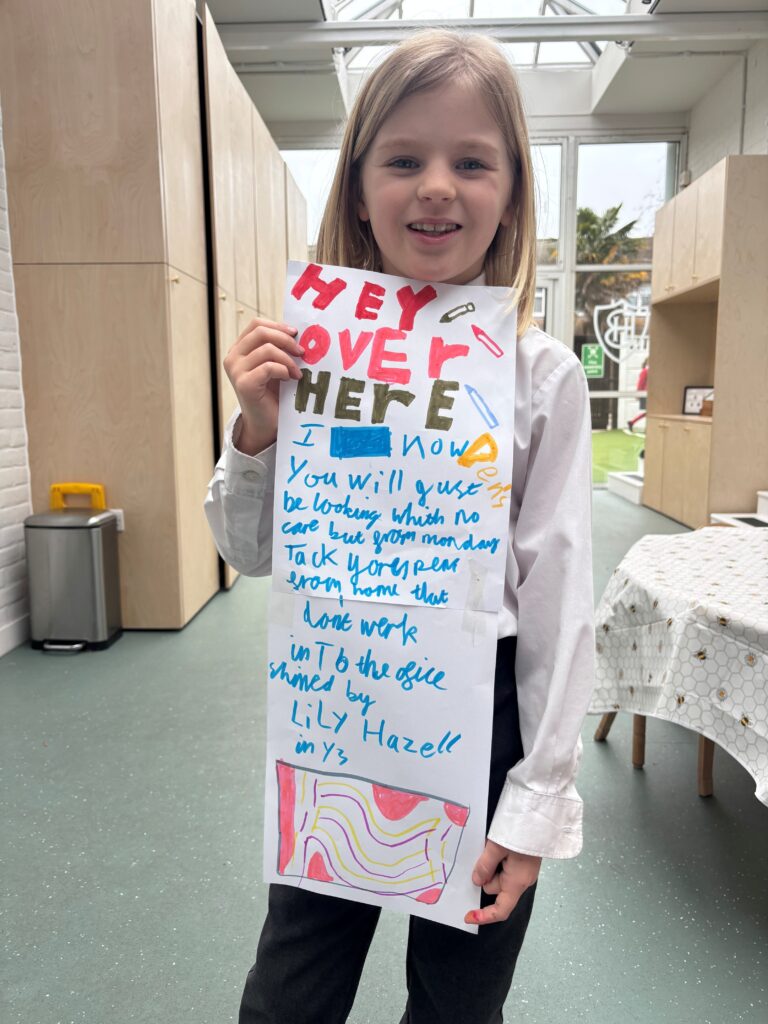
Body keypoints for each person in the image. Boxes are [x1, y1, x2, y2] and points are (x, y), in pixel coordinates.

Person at [205, 30, 594, 1024]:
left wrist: (536, 801)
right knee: (290, 990)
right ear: (357, 188)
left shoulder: (539, 375)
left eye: (473, 162)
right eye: (404, 159)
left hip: (487, 716)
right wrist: (258, 429)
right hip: (342, 700)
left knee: (460, 1001)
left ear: (512, 191)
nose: (437, 187)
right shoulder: (309, 357)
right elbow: (249, 551)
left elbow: (559, 599)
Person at [627, 357, 649, 431]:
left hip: (647, 394)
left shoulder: (647, 371)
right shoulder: (645, 371)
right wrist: (638, 393)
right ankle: (632, 422)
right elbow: (640, 383)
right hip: (645, 394)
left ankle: (632, 422)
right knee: (649, 412)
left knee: (649, 412)